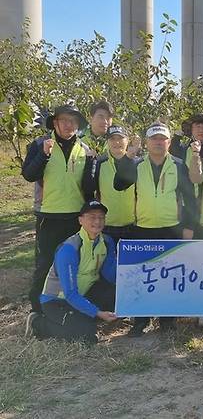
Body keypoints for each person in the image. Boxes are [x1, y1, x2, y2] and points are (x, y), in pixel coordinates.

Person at [114, 122, 198, 336]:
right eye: (154, 138)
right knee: (142, 276)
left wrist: (188, 227)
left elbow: (190, 199)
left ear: (169, 142)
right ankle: (141, 320)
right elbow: (119, 184)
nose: (159, 142)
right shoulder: (136, 164)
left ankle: (167, 320)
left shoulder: (179, 165)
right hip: (143, 228)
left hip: (171, 228)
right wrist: (126, 157)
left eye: (163, 139)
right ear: (147, 142)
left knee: (168, 275)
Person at [21, 104, 94, 314]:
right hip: (49, 216)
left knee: (73, 265)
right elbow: (29, 175)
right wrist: (43, 155)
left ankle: (69, 308)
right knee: (45, 264)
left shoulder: (85, 150)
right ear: (55, 122)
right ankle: (38, 311)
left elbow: (88, 187)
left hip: (75, 218)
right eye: (64, 120)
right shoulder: (39, 144)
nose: (69, 125)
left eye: (73, 121)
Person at [25, 200, 117, 344]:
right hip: (57, 301)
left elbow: (110, 276)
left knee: (115, 294)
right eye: (92, 217)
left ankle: (82, 320)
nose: (97, 221)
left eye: (101, 217)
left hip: (83, 295)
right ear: (80, 220)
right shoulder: (69, 249)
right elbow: (69, 293)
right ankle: (38, 323)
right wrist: (98, 312)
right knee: (87, 337)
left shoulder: (107, 242)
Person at [83, 125, 139, 242]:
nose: (116, 142)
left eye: (120, 138)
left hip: (133, 225)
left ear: (127, 140)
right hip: (107, 226)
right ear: (107, 141)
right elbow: (90, 189)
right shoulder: (99, 162)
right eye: (112, 139)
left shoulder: (137, 163)